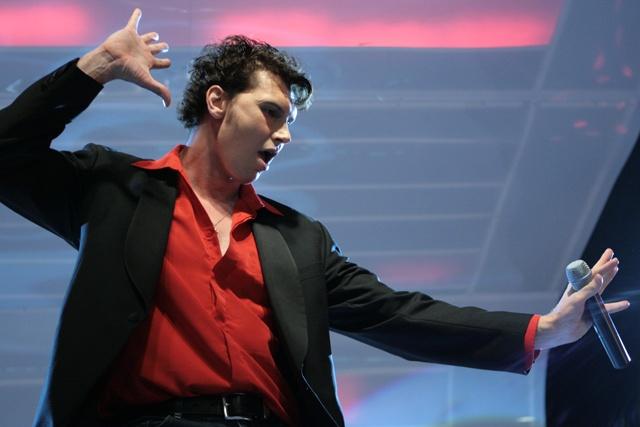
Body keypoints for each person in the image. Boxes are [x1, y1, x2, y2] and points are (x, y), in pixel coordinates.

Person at [0, 9, 629, 427]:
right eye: (271, 113)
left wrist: (542, 329)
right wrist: (94, 68)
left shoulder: (297, 240)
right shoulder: (117, 190)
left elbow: (398, 314)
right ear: (217, 101)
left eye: (290, 123)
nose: (283, 136)